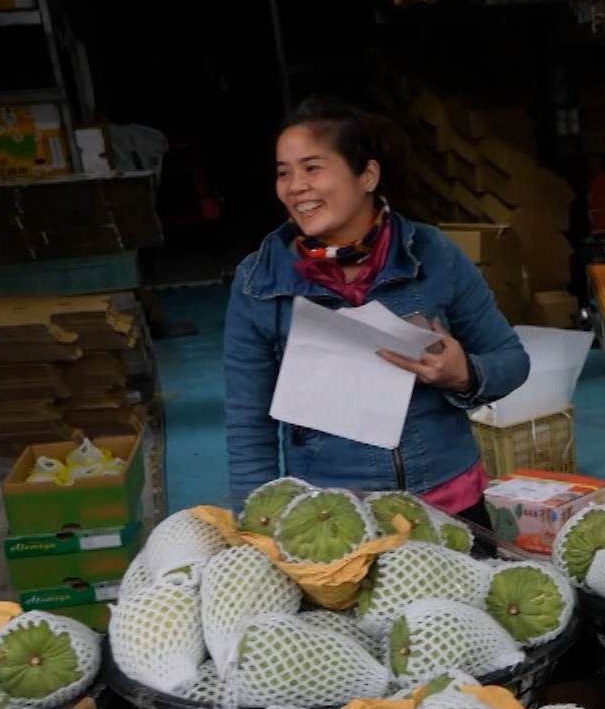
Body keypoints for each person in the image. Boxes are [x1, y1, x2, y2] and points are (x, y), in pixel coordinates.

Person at [223, 97, 529, 527]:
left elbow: (511, 361)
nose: (295, 186)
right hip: (334, 521)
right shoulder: (259, 284)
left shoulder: (432, 254)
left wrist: (464, 374)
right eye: (283, 172)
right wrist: (257, 524)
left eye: (312, 168)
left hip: (448, 504)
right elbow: (247, 426)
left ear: (367, 175)